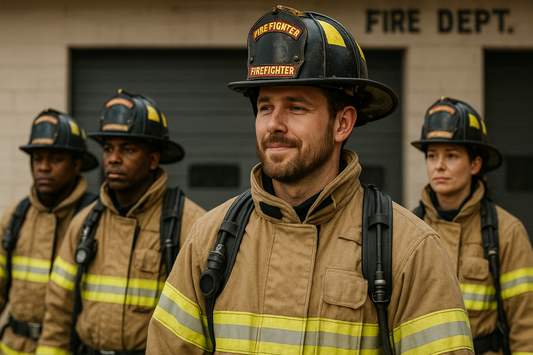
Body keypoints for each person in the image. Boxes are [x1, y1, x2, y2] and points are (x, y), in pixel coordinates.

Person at [146, 6, 474, 354]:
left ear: (342, 123)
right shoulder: (208, 238)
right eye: (265, 106)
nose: (274, 124)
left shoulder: (410, 248)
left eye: (296, 107)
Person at [35, 90, 206, 355]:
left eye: (127, 149)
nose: (113, 159)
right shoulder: (84, 224)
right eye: (108, 149)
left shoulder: (193, 225)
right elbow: (58, 312)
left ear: (153, 159)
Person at [411, 97, 533, 354]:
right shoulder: (409, 228)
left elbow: (526, 325)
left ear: (475, 164)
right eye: (432, 155)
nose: (438, 166)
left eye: (451, 155)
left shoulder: (507, 231)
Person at [0, 109, 99, 354]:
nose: (43, 167)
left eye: (55, 159)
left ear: (77, 163)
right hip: (13, 346)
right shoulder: (15, 217)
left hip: (70, 347)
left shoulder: (95, 219)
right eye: (37, 158)